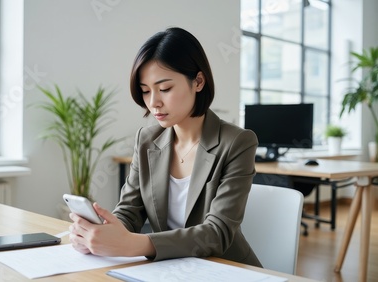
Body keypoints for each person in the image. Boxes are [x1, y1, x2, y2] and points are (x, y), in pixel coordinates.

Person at [68, 27, 262, 267]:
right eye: (146, 91)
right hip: (171, 267)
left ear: (198, 81)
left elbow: (217, 233)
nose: (153, 102)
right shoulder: (147, 139)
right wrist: (104, 234)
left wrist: (133, 244)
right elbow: (130, 211)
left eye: (165, 89)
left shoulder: (237, 142)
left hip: (224, 267)